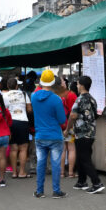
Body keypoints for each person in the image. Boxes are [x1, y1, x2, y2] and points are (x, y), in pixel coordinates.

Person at [64, 76, 105, 194]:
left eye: (77, 84)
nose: (76, 86)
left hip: (82, 133)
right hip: (91, 132)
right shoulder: (92, 99)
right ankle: (82, 181)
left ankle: (96, 183)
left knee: (85, 158)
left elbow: (72, 116)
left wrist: (67, 129)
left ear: (81, 85)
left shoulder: (80, 99)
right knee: (82, 157)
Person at [31, 70, 67, 199]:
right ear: (53, 82)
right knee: (55, 164)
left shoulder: (33, 97)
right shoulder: (56, 99)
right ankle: (56, 191)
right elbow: (62, 120)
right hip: (55, 135)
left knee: (41, 163)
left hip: (40, 135)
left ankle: (39, 191)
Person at [3, 78, 32, 178]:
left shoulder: (4, 95)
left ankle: (14, 172)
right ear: (17, 86)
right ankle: (22, 172)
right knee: (23, 149)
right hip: (23, 122)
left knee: (13, 149)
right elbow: (29, 109)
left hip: (11, 123)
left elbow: (3, 110)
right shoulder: (24, 94)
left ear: (7, 86)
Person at [52, 77, 77, 178]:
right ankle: (71, 173)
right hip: (69, 124)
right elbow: (75, 112)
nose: (64, 82)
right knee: (71, 149)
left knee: (62, 149)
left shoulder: (54, 95)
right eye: (63, 81)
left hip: (59, 125)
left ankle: (61, 173)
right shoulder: (71, 95)